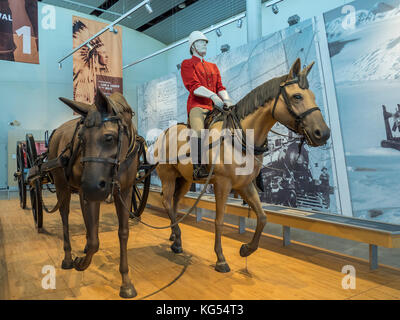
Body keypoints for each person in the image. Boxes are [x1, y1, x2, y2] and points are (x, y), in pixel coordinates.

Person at [181, 30, 234, 179]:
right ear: (193, 46)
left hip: (215, 106)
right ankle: (199, 167)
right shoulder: (187, 64)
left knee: (236, 124)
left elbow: (220, 87)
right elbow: (193, 86)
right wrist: (212, 96)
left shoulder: (213, 66)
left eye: (205, 42)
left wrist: (227, 99)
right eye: (200, 42)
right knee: (198, 132)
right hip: (197, 106)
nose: (204, 44)